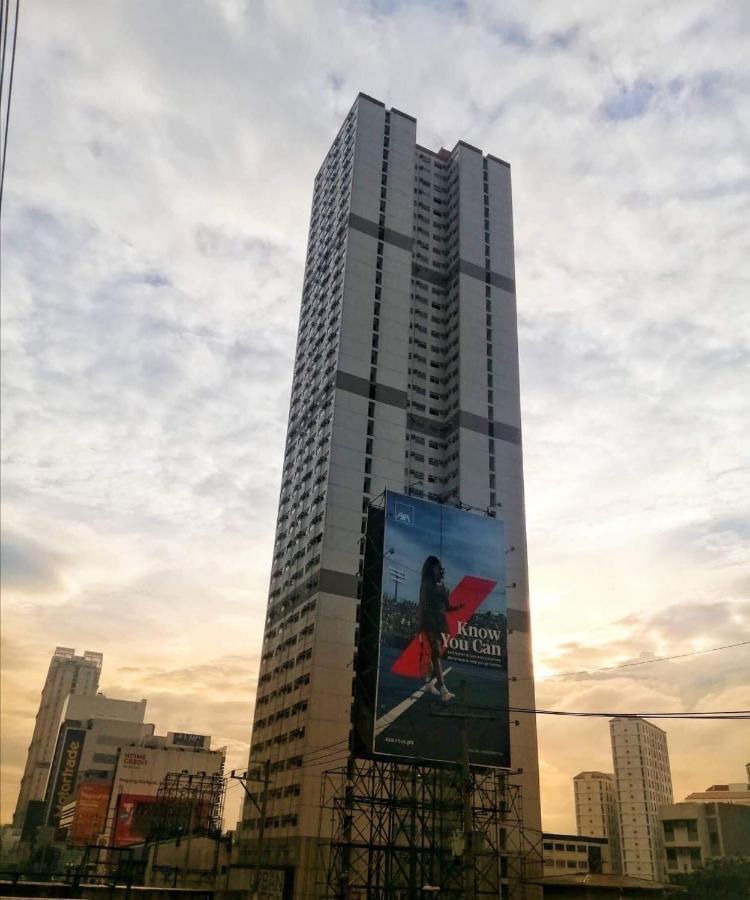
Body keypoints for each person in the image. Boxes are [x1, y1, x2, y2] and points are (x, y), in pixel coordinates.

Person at [417, 555, 460, 702]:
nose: (440, 570)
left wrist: (458, 607)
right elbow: (427, 601)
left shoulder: (442, 587)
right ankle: (443, 689)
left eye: (441, 568)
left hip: (439, 622)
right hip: (429, 620)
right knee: (435, 652)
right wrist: (419, 623)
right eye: (438, 567)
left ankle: (429, 682)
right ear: (431, 569)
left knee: (435, 652)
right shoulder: (427, 584)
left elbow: (447, 607)